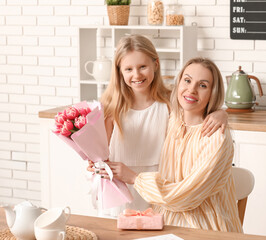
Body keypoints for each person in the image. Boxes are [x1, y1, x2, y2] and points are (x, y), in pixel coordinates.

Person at [88, 35, 228, 218]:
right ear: (119, 72)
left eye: (142, 67)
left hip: (159, 192)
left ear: (156, 64)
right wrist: (94, 164)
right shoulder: (110, 109)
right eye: (128, 69)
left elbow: (196, 115)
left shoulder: (170, 103)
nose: (136, 75)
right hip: (120, 192)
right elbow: (100, 155)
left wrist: (222, 113)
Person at [101, 57, 243, 232]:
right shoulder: (173, 118)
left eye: (203, 85)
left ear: (213, 93)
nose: (191, 90)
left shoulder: (216, 137)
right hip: (164, 223)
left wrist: (134, 178)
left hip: (205, 228)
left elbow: (187, 196)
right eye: (188, 80)